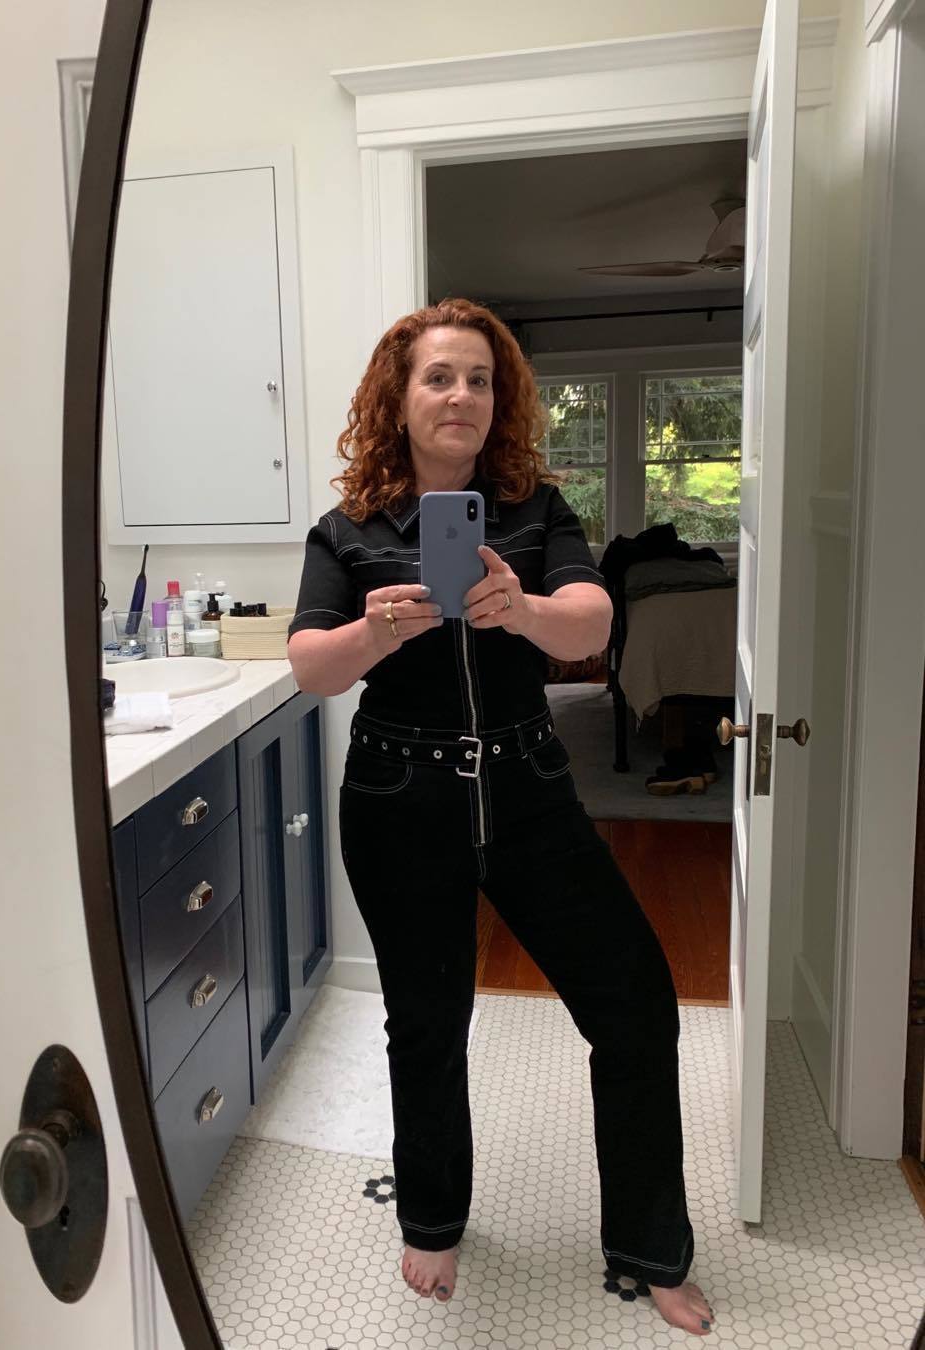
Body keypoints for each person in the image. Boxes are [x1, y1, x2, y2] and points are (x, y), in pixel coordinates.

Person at [286, 298, 714, 1337]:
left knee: (634, 1000)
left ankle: (651, 1244)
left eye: (480, 379)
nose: (462, 395)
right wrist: (376, 632)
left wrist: (520, 609)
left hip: (530, 791)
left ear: (500, 399)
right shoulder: (347, 531)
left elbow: (592, 619)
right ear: (399, 397)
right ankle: (433, 1219)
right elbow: (309, 667)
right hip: (399, 799)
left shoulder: (535, 510)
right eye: (440, 376)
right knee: (428, 1021)